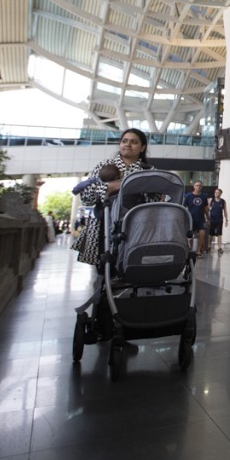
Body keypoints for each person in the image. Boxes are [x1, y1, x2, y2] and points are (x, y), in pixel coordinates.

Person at [75, 129, 151, 339]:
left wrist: (115, 187)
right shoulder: (104, 166)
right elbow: (87, 197)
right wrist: (110, 188)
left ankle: (125, 327)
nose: (128, 145)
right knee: (105, 274)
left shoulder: (147, 170)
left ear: (142, 147)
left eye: (134, 142)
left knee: (131, 276)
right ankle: (102, 327)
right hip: (104, 230)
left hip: (136, 230)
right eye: (125, 141)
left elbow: (154, 198)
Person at [184, 181, 210, 256]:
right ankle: (192, 250)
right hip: (191, 218)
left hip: (201, 218)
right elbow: (185, 207)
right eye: (197, 185)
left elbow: (206, 208)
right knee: (191, 235)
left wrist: (208, 218)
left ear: (201, 187)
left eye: (199, 185)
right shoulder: (188, 196)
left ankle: (198, 250)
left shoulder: (203, 197)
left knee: (202, 233)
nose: (198, 187)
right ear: (194, 186)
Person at [207, 187, 228, 254]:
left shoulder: (223, 201)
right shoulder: (211, 200)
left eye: (218, 192)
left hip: (219, 219)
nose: (216, 194)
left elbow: (225, 210)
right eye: (215, 192)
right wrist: (207, 218)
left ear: (220, 194)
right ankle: (209, 246)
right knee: (211, 233)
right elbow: (207, 209)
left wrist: (226, 219)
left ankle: (219, 247)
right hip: (212, 219)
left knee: (219, 234)